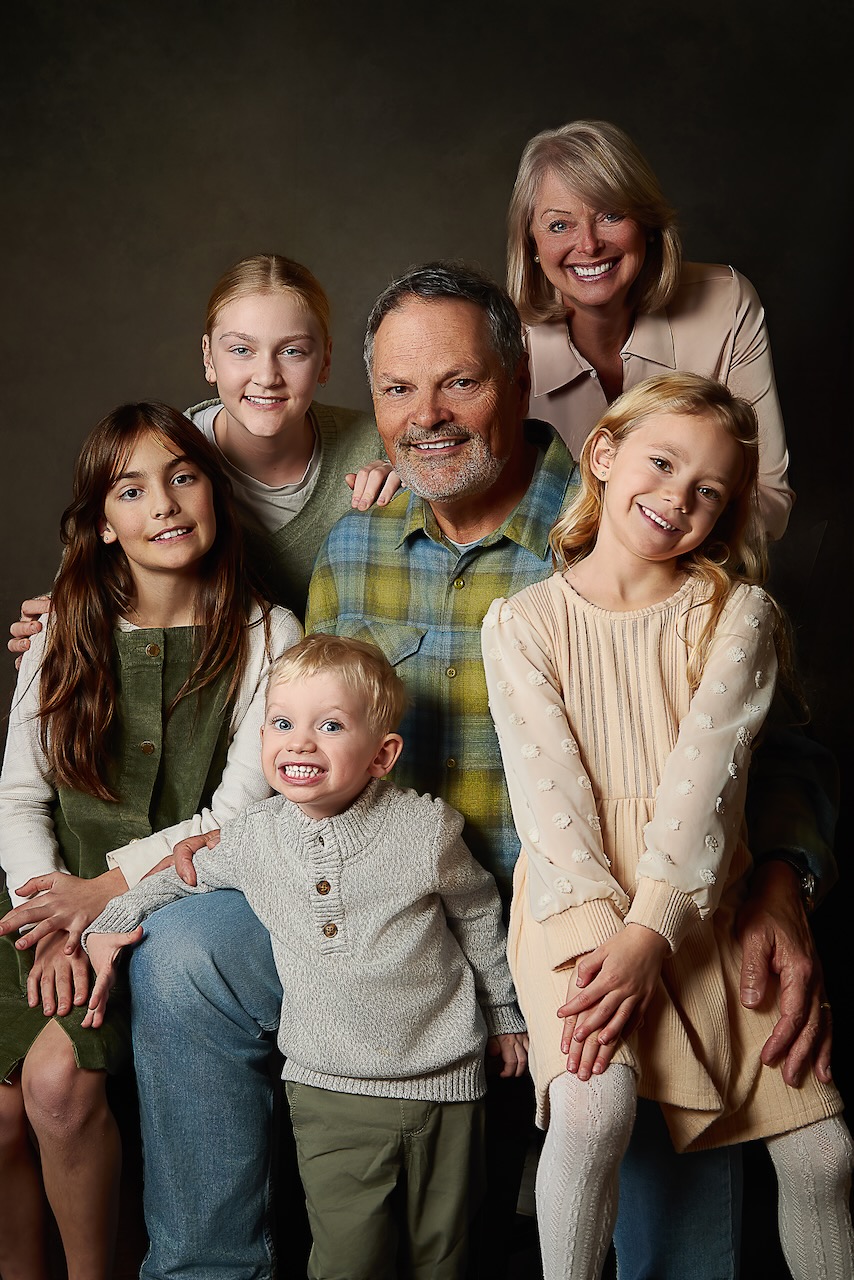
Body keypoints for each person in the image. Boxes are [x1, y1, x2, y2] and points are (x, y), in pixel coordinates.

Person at [306, 263, 836, 1279]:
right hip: (422, 925)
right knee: (195, 958)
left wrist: (783, 880)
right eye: (395, 389)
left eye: (458, 382)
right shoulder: (354, 540)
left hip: (634, 913)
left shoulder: (628, 516)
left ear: (519, 379)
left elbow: (775, 751)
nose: (426, 415)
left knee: (683, 1236)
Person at [481, 373, 852, 1280]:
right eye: (660, 463)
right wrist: (617, 938)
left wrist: (656, 932)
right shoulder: (522, 623)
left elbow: (704, 789)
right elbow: (552, 806)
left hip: (703, 905)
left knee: (822, 1154)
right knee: (596, 1107)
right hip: (576, 902)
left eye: (708, 491)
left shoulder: (735, 616)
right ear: (603, 454)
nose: (676, 498)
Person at [81, 634, 528, 1280]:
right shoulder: (255, 838)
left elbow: (480, 912)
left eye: (331, 726)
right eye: (282, 724)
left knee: (444, 1258)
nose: (299, 742)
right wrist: (110, 920)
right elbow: (182, 875)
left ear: (382, 755)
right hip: (329, 1092)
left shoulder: (427, 831)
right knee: (348, 1260)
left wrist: (505, 1014)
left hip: (447, 1085)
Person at [0, 402, 300, 1280]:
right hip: (44, 894)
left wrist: (104, 899)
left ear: (214, 490)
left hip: (166, 901)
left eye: (183, 477)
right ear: (102, 523)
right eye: (132, 490)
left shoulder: (262, 635)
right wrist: (47, 905)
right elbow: (21, 794)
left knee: (56, 1088)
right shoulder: (63, 628)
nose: (164, 505)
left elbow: (239, 814)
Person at [507, 120, 793, 539]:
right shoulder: (500, 339)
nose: (588, 245)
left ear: (648, 224)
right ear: (531, 244)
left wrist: (649, 543)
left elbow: (769, 504)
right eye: (559, 225)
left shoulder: (725, 302)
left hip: (698, 573)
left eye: (611, 215)